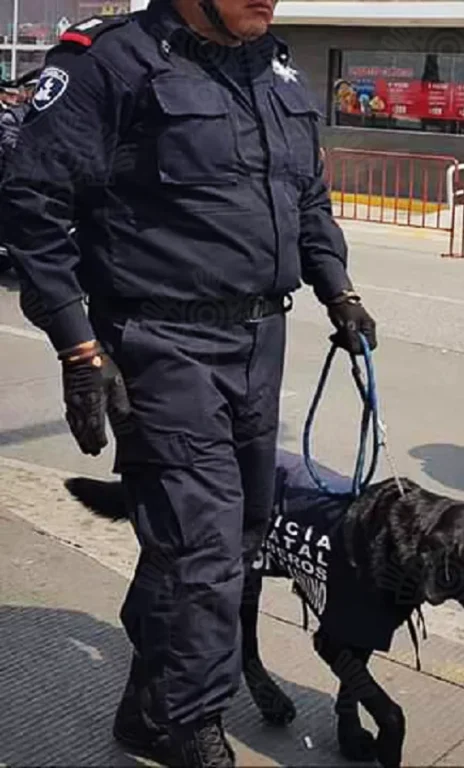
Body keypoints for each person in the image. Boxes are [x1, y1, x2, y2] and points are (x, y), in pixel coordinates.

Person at [0, 1, 377, 765]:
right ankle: (187, 722)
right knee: (203, 545)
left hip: (259, 338)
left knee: (234, 535)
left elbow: (304, 193)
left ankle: (148, 705)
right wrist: (78, 348)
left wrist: (337, 286)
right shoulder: (109, 62)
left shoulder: (272, 65)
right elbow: (31, 205)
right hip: (160, 342)